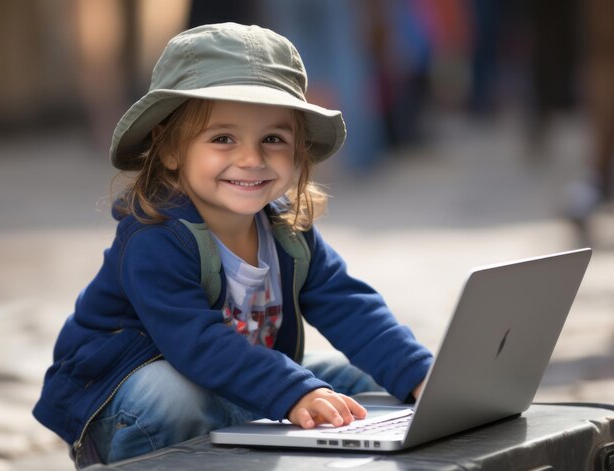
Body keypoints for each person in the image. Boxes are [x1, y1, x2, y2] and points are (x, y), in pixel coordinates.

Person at [33, 23, 433, 467]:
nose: (252, 158)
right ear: (169, 150)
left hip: (235, 380)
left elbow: (350, 305)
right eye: (223, 138)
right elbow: (196, 343)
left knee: (361, 380)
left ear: (298, 150)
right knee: (175, 396)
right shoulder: (155, 236)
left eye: (273, 139)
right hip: (121, 398)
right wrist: (292, 390)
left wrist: (419, 374)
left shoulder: (287, 228)